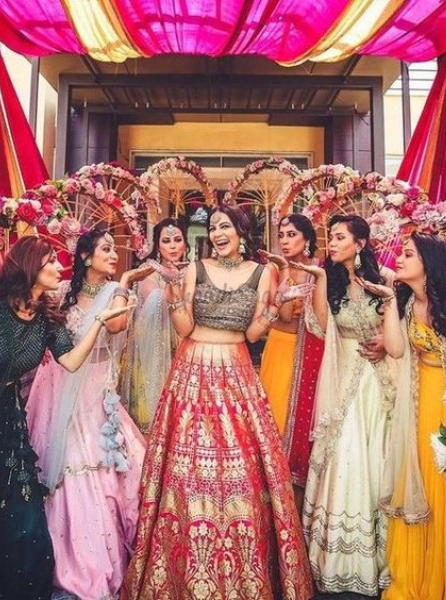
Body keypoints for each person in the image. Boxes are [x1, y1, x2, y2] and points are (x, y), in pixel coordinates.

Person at [122, 204, 313, 599]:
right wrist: (175, 294)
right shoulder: (196, 269)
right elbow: (186, 327)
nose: (217, 233)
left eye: (225, 226)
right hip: (191, 372)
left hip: (236, 374)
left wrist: (277, 303)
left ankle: (243, 573)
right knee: (186, 471)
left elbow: (255, 333)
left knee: (241, 469)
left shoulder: (264, 273)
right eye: (213, 228)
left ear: (242, 232)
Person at [0, 236, 130, 600]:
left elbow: (72, 361)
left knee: (22, 513)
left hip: (8, 416)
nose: (60, 268)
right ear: (30, 267)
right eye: (51, 263)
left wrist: (99, 322)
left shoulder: (47, 319)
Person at [26, 230, 150, 600]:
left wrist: (125, 282)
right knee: (59, 467)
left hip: (95, 391)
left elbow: (116, 326)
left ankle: (94, 560)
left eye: (115, 250)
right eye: (106, 249)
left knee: (97, 469)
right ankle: (58, 556)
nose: (114, 255)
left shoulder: (117, 292)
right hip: (55, 387)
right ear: (84, 256)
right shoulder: (61, 293)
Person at [371, 233, 446, 600]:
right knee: (424, 488)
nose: (399, 259)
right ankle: (420, 577)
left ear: (427, 262)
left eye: (407, 253)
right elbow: (397, 350)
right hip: (419, 407)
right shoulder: (404, 304)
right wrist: (387, 303)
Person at [302, 214, 403, 596]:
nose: (332, 243)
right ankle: (341, 561)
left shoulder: (388, 281)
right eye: (331, 237)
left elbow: (405, 328)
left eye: (340, 237)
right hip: (345, 383)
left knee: (380, 457)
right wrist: (321, 278)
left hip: (381, 386)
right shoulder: (331, 283)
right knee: (347, 456)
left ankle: (387, 557)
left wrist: (384, 342)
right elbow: (321, 327)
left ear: (360, 243)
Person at [258, 214, 326, 436]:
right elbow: (286, 316)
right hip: (280, 347)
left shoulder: (320, 269)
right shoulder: (273, 270)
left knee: (303, 411)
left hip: (311, 348)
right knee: (277, 409)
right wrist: (285, 269)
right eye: (281, 236)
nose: (284, 241)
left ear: (306, 239)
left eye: (291, 235)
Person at [121, 218, 188, 432]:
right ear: (157, 245)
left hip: (183, 346)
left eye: (177, 240)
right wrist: (172, 284)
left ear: (185, 243)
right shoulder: (148, 270)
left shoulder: (192, 271)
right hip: (152, 349)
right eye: (166, 241)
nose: (173, 245)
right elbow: (151, 308)